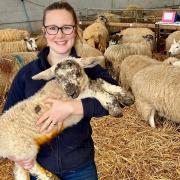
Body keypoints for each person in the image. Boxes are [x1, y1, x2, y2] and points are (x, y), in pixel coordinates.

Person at [3, 1, 117, 180]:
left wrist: (72, 107)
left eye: (67, 28)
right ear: (44, 31)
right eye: (53, 28)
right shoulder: (27, 75)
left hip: (80, 166)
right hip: (40, 167)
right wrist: (15, 154)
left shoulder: (88, 68)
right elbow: (6, 120)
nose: (60, 35)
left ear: (76, 30)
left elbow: (115, 101)